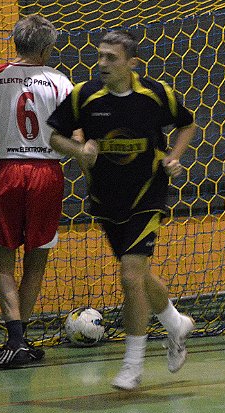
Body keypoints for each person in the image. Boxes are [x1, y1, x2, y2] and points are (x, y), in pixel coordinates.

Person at [47, 29, 198, 391]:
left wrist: (173, 158)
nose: (102, 63)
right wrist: (78, 150)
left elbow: (187, 124)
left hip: (148, 195)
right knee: (140, 274)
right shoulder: (84, 95)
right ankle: (176, 323)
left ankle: (132, 366)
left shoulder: (156, 95)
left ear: (132, 63)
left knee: (130, 276)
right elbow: (54, 136)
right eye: (100, 55)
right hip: (106, 198)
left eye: (111, 57)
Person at [0, 14, 73, 368]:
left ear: (15, 42)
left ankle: (14, 340)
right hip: (48, 174)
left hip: (6, 172)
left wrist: (5, 151)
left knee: (2, 260)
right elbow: (76, 138)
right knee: (36, 260)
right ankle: (21, 340)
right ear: (47, 48)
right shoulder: (61, 82)